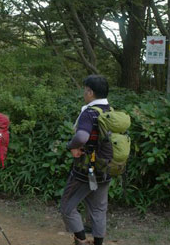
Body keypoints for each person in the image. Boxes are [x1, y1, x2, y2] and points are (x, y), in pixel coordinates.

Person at [62, 75, 112, 245]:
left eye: (85, 90)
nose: (84, 93)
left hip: (85, 170)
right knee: (98, 209)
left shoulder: (89, 112)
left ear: (90, 92)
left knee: (67, 207)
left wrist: (71, 146)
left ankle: (81, 240)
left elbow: (82, 136)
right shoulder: (111, 112)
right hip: (106, 168)